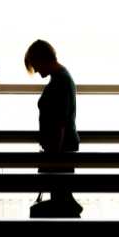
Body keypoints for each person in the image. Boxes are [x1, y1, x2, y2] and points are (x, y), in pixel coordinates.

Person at [24, 39, 81, 214]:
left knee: (60, 199)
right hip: (63, 150)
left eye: (35, 65)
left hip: (59, 152)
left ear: (42, 59)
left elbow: (59, 124)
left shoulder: (60, 82)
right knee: (62, 199)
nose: (36, 70)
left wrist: (51, 158)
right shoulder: (63, 77)